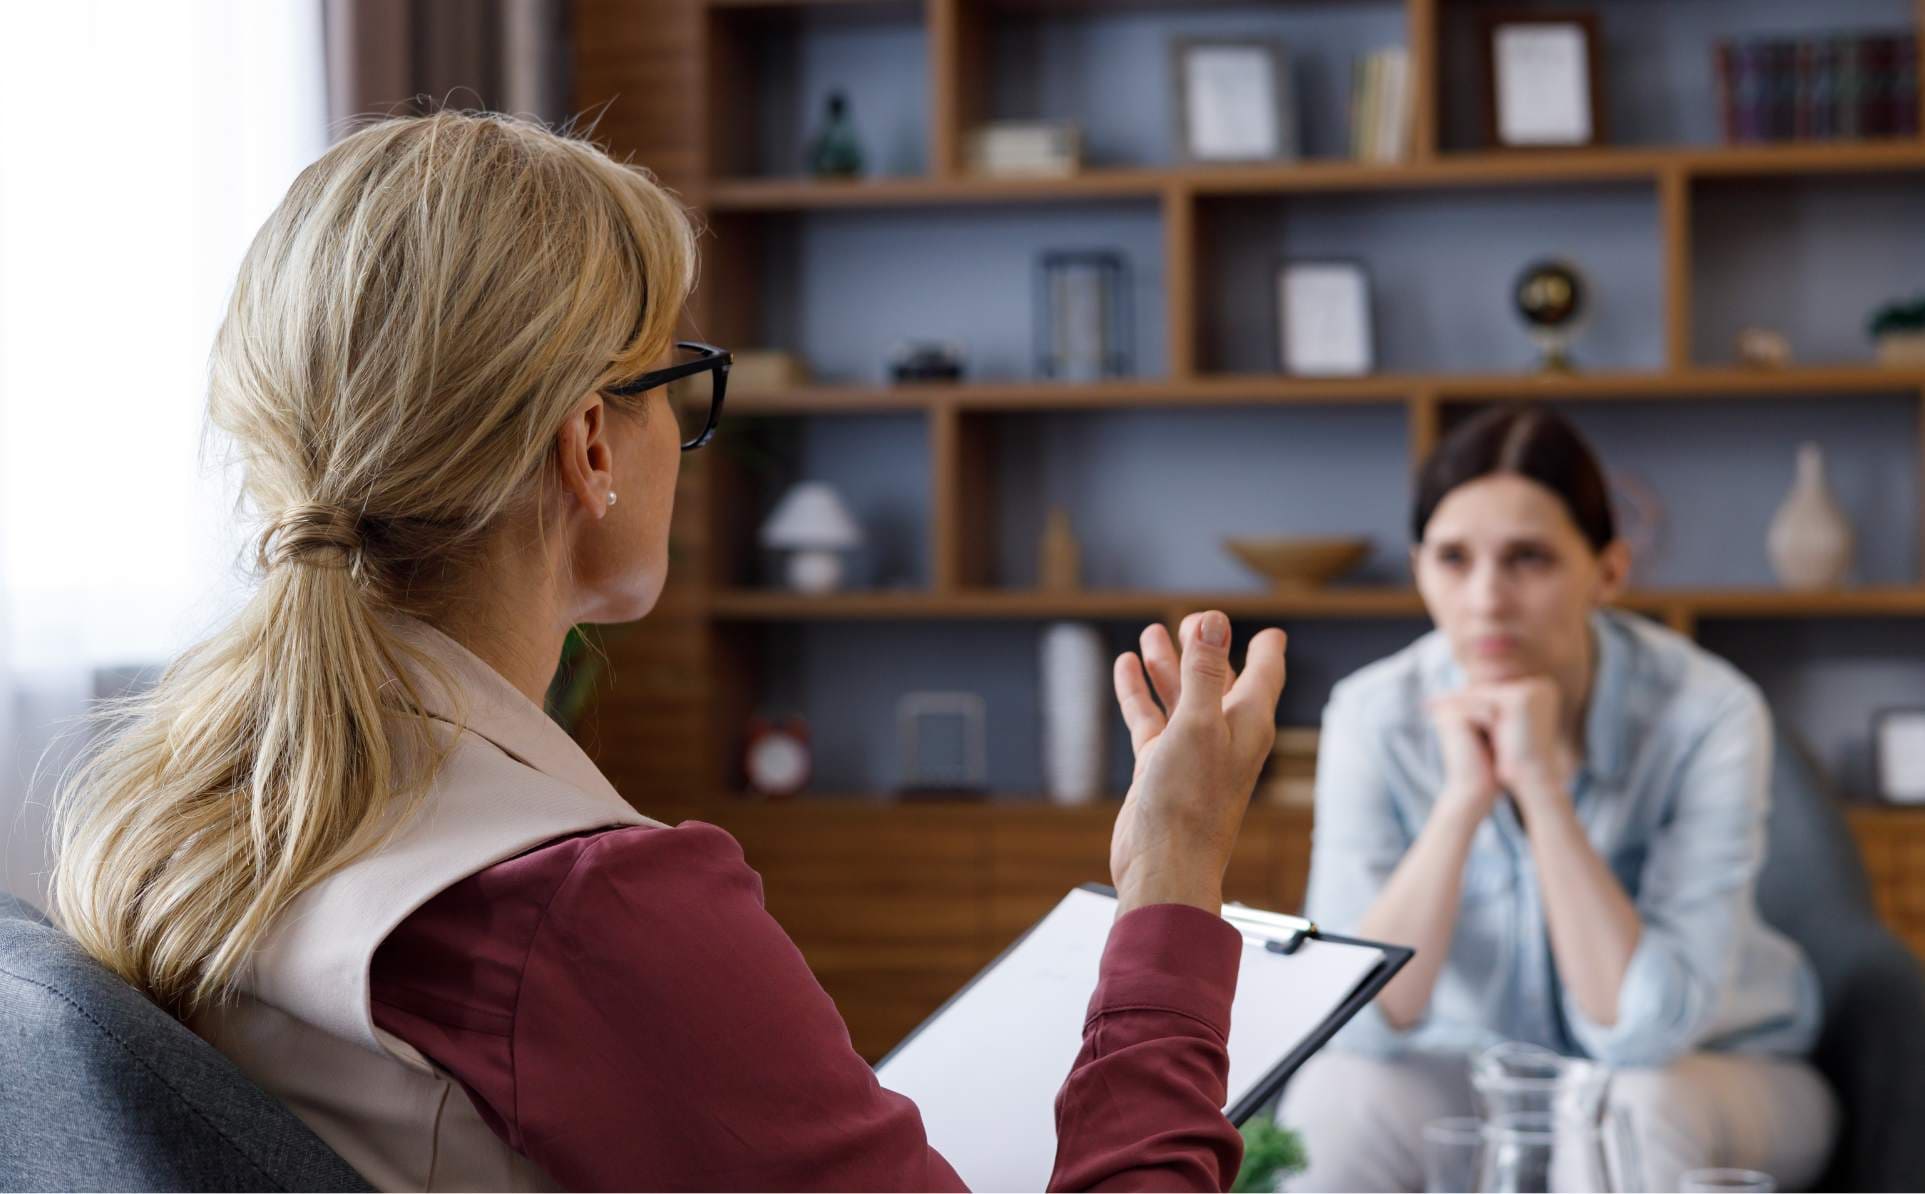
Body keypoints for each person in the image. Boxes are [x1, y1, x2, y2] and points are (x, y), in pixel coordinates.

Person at [48, 111, 1290, 1192]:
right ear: (591, 445)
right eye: (677, 382)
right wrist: (1171, 879)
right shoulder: (575, 914)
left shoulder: (179, 812)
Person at [1280, 407, 1836, 1192]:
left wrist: (1541, 789)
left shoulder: (1709, 711)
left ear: (1607, 570)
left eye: (1528, 559)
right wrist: (1462, 801)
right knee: (1334, 1099)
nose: (1485, 600)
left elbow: (1641, 1031)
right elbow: (1359, 1024)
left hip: (1714, 1070)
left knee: (1631, 1109)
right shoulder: (1373, 714)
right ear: (1417, 569)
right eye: (1452, 559)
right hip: (1474, 1074)